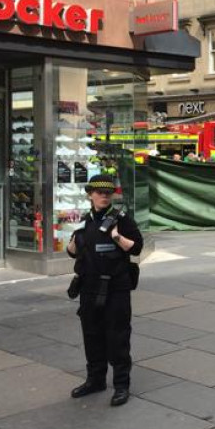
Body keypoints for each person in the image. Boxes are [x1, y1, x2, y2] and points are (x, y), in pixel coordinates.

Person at [66, 174, 144, 407]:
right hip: (89, 287)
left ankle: (121, 385)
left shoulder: (121, 219)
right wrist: (72, 245)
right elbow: (75, 250)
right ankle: (95, 380)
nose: (104, 195)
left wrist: (117, 236)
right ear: (90, 194)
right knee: (92, 335)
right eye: (99, 192)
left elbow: (137, 247)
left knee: (118, 336)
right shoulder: (86, 219)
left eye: (108, 192)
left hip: (115, 288)